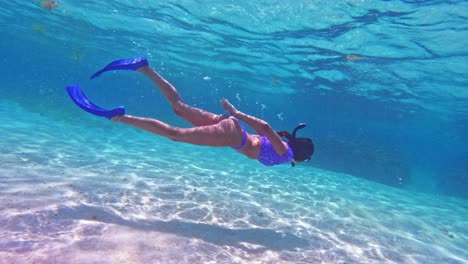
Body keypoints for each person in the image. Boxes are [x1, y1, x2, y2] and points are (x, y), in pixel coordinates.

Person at [85, 57, 315, 166]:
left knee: (179, 107)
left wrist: (234, 115)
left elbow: (266, 132)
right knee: (176, 134)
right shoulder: (284, 152)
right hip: (234, 135)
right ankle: (119, 117)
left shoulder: (286, 154)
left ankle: (144, 67)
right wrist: (236, 111)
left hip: (232, 128)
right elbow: (264, 127)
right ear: (300, 155)